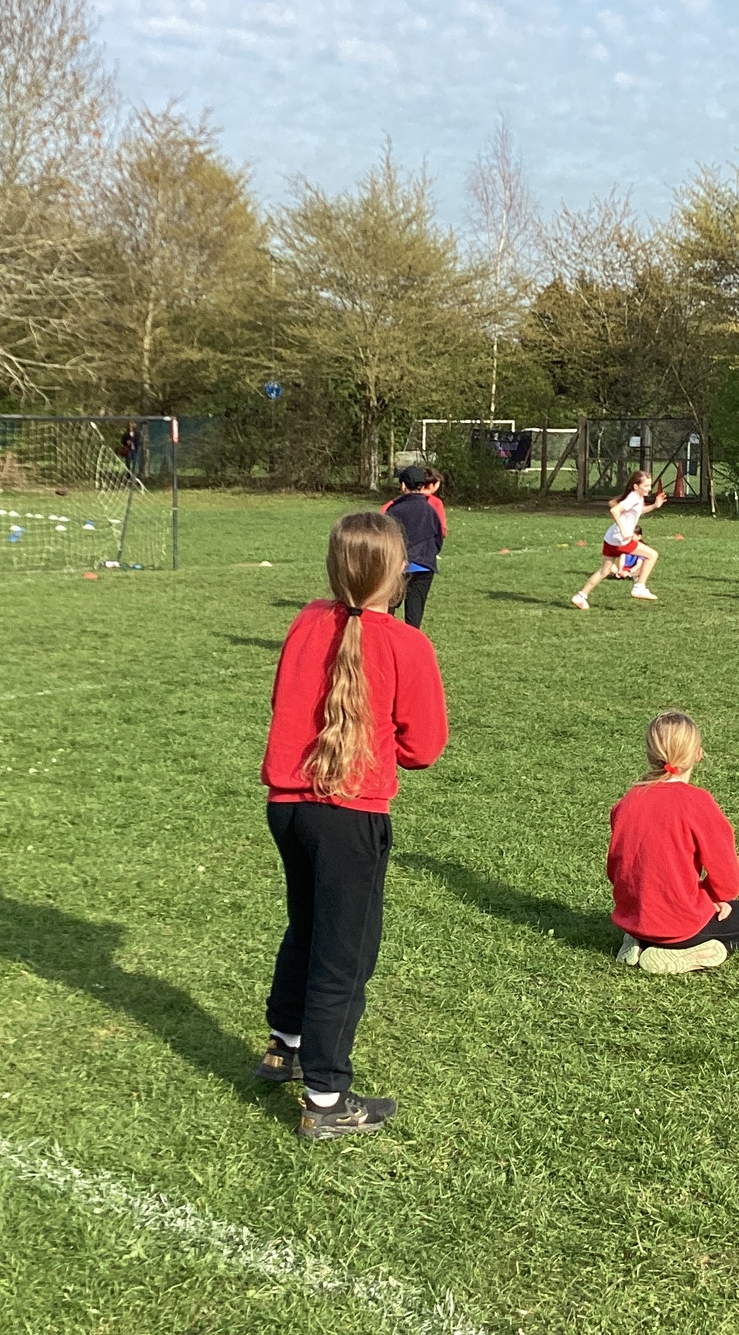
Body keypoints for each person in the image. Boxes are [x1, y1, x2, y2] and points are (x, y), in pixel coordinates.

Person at [257, 511, 449, 1141]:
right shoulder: (407, 644)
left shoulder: (306, 621)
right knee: (344, 953)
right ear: (398, 574)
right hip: (349, 815)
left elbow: (283, 702)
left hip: (288, 809)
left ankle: (284, 1045)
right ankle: (326, 1097)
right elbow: (425, 747)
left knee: (307, 926)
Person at [607, 711, 739, 975]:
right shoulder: (697, 803)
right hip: (681, 925)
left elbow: (616, 868)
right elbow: (727, 879)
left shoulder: (628, 801)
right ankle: (684, 952)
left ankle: (640, 942)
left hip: (634, 917)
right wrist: (713, 898)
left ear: (650, 753)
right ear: (698, 753)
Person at [571, 471, 666, 610]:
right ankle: (639, 587)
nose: (649, 488)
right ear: (636, 486)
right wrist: (624, 531)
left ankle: (580, 596)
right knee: (652, 555)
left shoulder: (637, 497)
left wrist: (654, 506)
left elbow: (637, 511)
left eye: (649, 485)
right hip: (620, 539)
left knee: (604, 571)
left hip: (610, 538)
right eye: (646, 486)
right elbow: (614, 510)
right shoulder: (633, 497)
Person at [381, 464, 445, 630]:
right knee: (414, 617)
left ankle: (386, 638)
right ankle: (412, 642)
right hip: (424, 567)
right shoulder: (430, 510)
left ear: (403, 485)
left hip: (398, 568)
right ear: (422, 486)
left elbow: (386, 539)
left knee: (388, 610)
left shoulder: (395, 509)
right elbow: (438, 538)